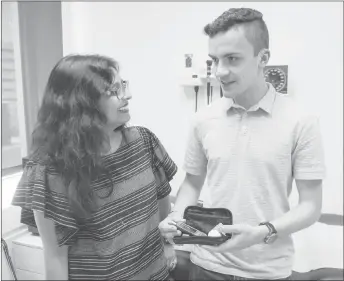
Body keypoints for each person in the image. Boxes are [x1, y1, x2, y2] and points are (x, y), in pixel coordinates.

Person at [159, 7, 326, 280]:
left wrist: (263, 231)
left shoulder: (301, 121)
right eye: (215, 60)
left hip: (267, 270)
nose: (220, 71)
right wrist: (176, 218)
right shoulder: (204, 120)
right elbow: (192, 183)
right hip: (206, 265)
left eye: (233, 59)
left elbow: (310, 206)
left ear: (263, 58)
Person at [12, 54, 178, 280]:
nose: (128, 95)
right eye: (113, 90)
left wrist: (168, 245)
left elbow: (163, 211)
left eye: (124, 85)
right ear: (80, 103)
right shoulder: (50, 171)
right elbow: (55, 258)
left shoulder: (144, 141)